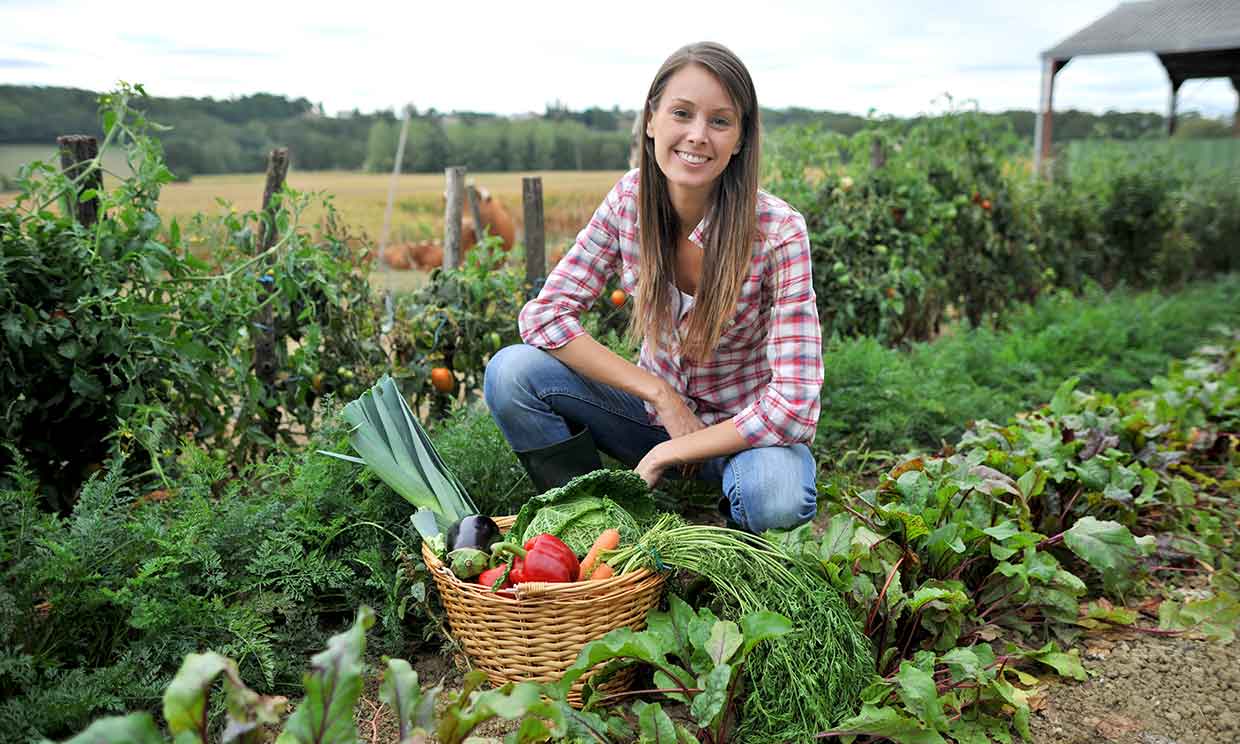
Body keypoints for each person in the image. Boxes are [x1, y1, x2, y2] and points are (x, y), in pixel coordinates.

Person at [483, 41, 823, 534]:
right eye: (681, 113)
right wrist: (660, 394)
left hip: (743, 438)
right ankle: (601, 524)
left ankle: (730, 545)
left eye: (720, 121)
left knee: (774, 494)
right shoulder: (629, 201)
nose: (697, 135)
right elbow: (544, 316)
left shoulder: (778, 232)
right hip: (646, 419)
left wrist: (675, 448)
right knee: (511, 372)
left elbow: (794, 406)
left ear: (741, 138)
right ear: (651, 120)